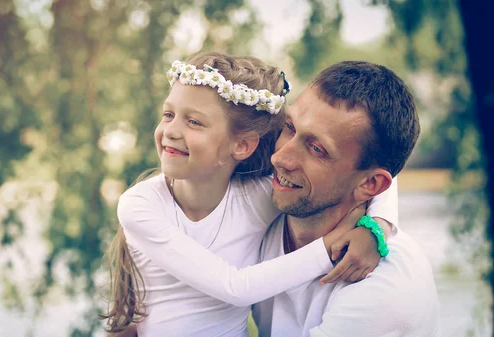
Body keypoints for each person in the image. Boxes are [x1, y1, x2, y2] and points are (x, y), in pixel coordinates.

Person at [101, 52, 399, 337]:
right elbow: (236, 288)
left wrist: (377, 228)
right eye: (168, 114)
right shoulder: (140, 206)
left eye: (194, 122)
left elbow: (369, 174)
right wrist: (332, 245)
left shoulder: (255, 199)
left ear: (242, 146)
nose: (172, 131)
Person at [252, 61, 440, 336]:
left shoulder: (385, 292)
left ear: (370, 184)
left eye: (316, 149)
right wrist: (380, 220)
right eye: (290, 127)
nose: (279, 157)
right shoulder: (264, 205)